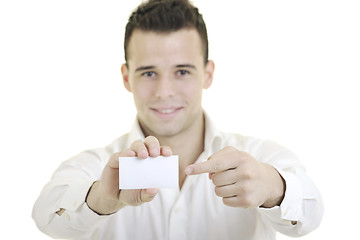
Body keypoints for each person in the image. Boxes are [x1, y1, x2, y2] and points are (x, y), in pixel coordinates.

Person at [32, 0, 324, 239]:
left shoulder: (258, 157)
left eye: (182, 71)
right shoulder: (97, 166)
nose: (164, 91)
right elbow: (46, 216)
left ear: (207, 74)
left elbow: (311, 214)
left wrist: (273, 188)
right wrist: (100, 198)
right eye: (149, 72)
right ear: (126, 77)